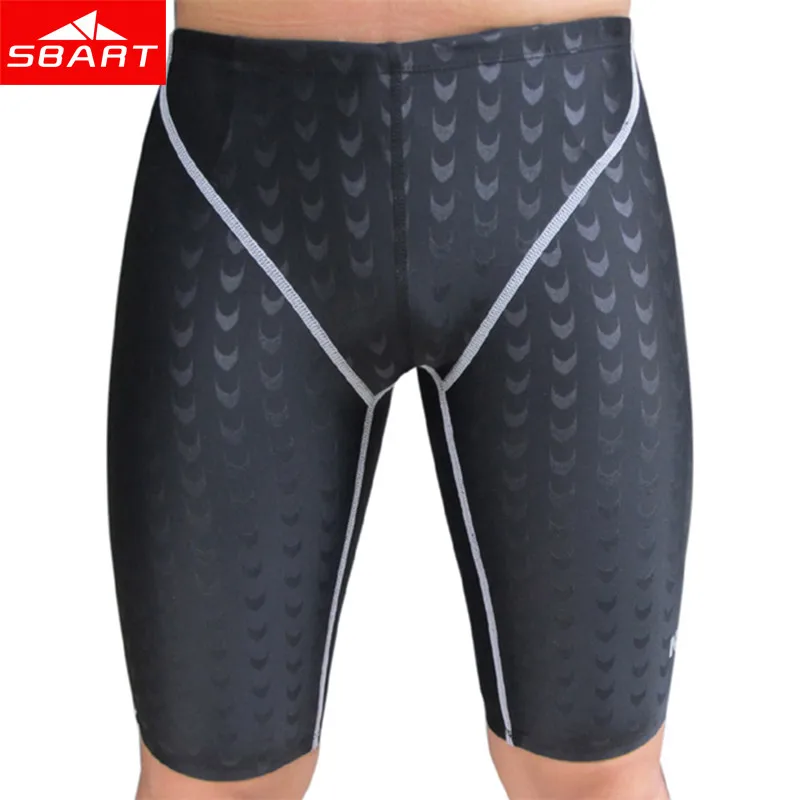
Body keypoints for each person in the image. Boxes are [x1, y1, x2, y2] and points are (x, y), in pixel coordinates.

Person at [106, 0, 692, 797]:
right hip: (237, 177)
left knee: (601, 776)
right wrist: (65, 58)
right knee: (207, 781)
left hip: (562, 166)